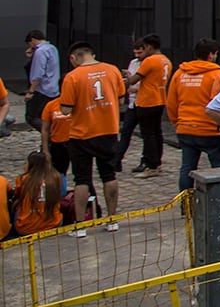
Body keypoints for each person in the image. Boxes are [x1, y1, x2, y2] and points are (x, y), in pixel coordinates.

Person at [58, 42, 125, 233]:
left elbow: (65, 109)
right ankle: (112, 220)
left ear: (73, 57)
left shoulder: (72, 77)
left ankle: (80, 226)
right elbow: (121, 100)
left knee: (82, 179)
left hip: (82, 134)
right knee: (109, 175)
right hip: (108, 130)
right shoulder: (112, 70)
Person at [167, 39, 220, 190]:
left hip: (185, 128)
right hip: (210, 130)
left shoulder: (180, 73)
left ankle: (186, 206)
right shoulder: (218, 75)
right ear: (211, 55)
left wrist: (177, 122)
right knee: (218, 169)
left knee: (186, 169)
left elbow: (171, 102)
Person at [123, 36, 172, 177]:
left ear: (149, 47)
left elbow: (133, 81)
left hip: (147, 101)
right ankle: (157, 162)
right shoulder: (166, 60)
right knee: (157, 133)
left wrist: (127, 76)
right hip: (160, 99)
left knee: (148, 135)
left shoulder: (150, 61)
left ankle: (152, 165)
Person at [11, 151, 66, 237]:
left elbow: (18, 195)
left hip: (26, 228)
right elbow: (61, 194)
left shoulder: (22, 179)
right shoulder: (56, 177)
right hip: (53, 225)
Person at [23, 30, 60, 130]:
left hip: (42, 90)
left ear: (33, 40)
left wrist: (31, 91)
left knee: (32, 117)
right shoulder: (52, 48)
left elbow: (38, 74)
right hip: (53, 88)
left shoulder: (40, 52)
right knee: (48, 115)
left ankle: (50, 134)